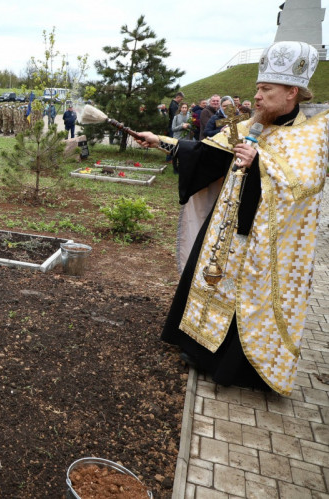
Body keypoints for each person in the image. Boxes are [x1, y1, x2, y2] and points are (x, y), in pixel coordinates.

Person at [134, 41, 326, 396]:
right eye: (257, 88)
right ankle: (196, 350)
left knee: (247, 301)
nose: (257, 96)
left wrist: (261, 163)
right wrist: (159, 140)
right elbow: (206, 154)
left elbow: (306, 183)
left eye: (266, 89)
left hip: (266, 244)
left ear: (291, 93)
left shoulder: (311, 136)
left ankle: (237, 369)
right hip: (225, 230)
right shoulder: (252, 124)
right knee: (206, 280)